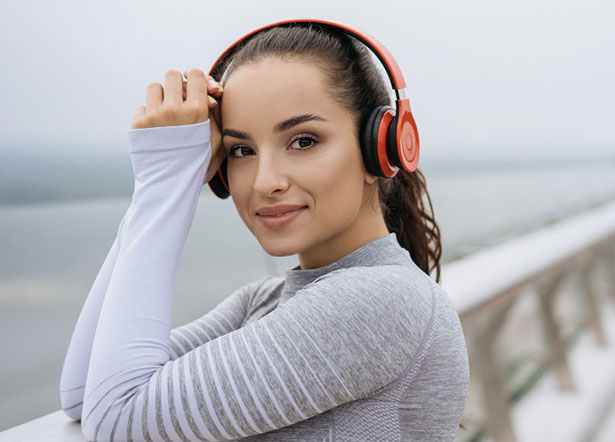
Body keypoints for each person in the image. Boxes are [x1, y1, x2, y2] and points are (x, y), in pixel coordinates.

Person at [58, 21, 470, 442]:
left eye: (304, 140)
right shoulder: (263, 301)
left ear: (381, 147)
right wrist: (163, 181)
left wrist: (163, 185)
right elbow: (83, 392)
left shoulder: (382, 299)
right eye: (241, 150)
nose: (264, 181)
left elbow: (115, 422)